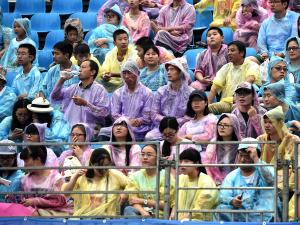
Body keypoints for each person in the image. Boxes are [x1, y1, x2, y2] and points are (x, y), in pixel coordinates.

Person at [216, 138, 276, 222]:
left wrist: (255, 159)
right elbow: (223, 195)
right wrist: (232, 201)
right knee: (220, 209)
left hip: (264, 216)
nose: (243, 160)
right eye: (241, 155)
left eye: (247, 156)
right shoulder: (232, 176)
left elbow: (270, 180)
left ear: (257, 156)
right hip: (240, 216)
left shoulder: (266, 170)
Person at [61, 148, 128, 216]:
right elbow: (66, 193)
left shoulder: (115, 175)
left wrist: (125, 193)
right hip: (85, 218)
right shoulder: (82, 177)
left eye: (106, 166)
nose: (103, 170)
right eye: (100, 167)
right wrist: (74, 178)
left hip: (108, 218)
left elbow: (131, 185)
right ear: (92, 164)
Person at [99, 60, 153, 141]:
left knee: (147, 135)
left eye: (129, 72)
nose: (127, 76)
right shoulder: (118, 93)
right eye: (124, 73)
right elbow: (115, 114)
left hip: (139, 127)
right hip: (121, 125)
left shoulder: (147, 93)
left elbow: (147, 116)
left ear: (137, 73)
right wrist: (126, 122)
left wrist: (137, 121)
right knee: (103, 132)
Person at [51, 59, 110, 129]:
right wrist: (62, 79)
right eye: (80, 67)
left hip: (88, 129)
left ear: (92, 72)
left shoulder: (100, 90)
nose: (79, 70)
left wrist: (86, 104)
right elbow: (54, 97)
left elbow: (104, 113)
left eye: (83, 67)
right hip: (68, 128)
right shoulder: (73, 88)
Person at [145, 57, 193, 140]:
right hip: (163, 127)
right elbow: (154, 114)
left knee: (184, 139)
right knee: (149, 137)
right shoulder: (161, 91)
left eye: (172, 69)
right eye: (168, 70)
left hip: (182, 128)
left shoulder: (191, 93)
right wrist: (167, 122)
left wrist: (174, 123)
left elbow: (190, 116)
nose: (168, 72)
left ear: (181, 72)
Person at [207, 40, 261, 114]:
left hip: (243, 103)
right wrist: (208, 104)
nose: (229, 53)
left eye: (232, 50)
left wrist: (237, 96)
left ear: (241, 53)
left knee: (236, 109)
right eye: (228, 51)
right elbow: (214, 88)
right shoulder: (226, 67)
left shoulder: (252, 65)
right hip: (226, 103)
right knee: (205, 110)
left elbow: (250, 79)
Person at [18, 145, 71, 216]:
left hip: (54, 216)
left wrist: (35, 201)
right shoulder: (25, 180)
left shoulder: (56, 178)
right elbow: (24, 201)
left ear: (37, 159)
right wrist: (15, 197)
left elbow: (60, 201)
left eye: (26, 161)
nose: (24, 165)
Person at [124, 144, 175, 217]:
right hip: (140, 214)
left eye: (149, 155)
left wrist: (143, 201)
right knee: (128, 209)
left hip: (159, 215)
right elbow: (133, 200)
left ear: (157, 158)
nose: (145, 157)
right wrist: (143, 212)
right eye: (142, 154)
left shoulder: (166, 176)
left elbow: (166, 205)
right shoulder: (135, 176)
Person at [257, 106, 299, 191]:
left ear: (280, 123)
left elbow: (295, 162)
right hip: (264, 174)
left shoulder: (293, 140)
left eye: (271, 122)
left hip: (286, 174)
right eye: (265, 122)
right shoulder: (260, 139)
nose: (267, 125)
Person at [170, 148, 218, 221]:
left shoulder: (207, 182)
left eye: (186, 161)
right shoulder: (181, 179)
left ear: (196, 164)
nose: (182, 164)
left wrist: (181, 220)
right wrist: (173, 215)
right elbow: (174, 201)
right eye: (181, 161)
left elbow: (201, 209)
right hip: (180, 221)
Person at [202, 113, 241, 184]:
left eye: (226, 125)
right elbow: (207, 167)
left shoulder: (240, 145)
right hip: (215, 182)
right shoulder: (213, 144)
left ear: (234, 127)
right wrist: (212, 183)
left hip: (236, 182)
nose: (222, 127)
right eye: (220, 124)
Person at [191, 27, 228, 91]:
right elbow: (198, 71)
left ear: (222, 38)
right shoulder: (203, 54)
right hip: (207, 82)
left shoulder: (228, 51)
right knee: (193, 86)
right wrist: (202, 79)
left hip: (224, 82)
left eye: (214, 34)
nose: (211, 37)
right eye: (209, 35)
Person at [285, 37, 300, 103]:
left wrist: (293, 86)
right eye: (289, 49)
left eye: (294, 48)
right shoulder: (282, 67)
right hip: (283, 100)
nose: (291, 51)